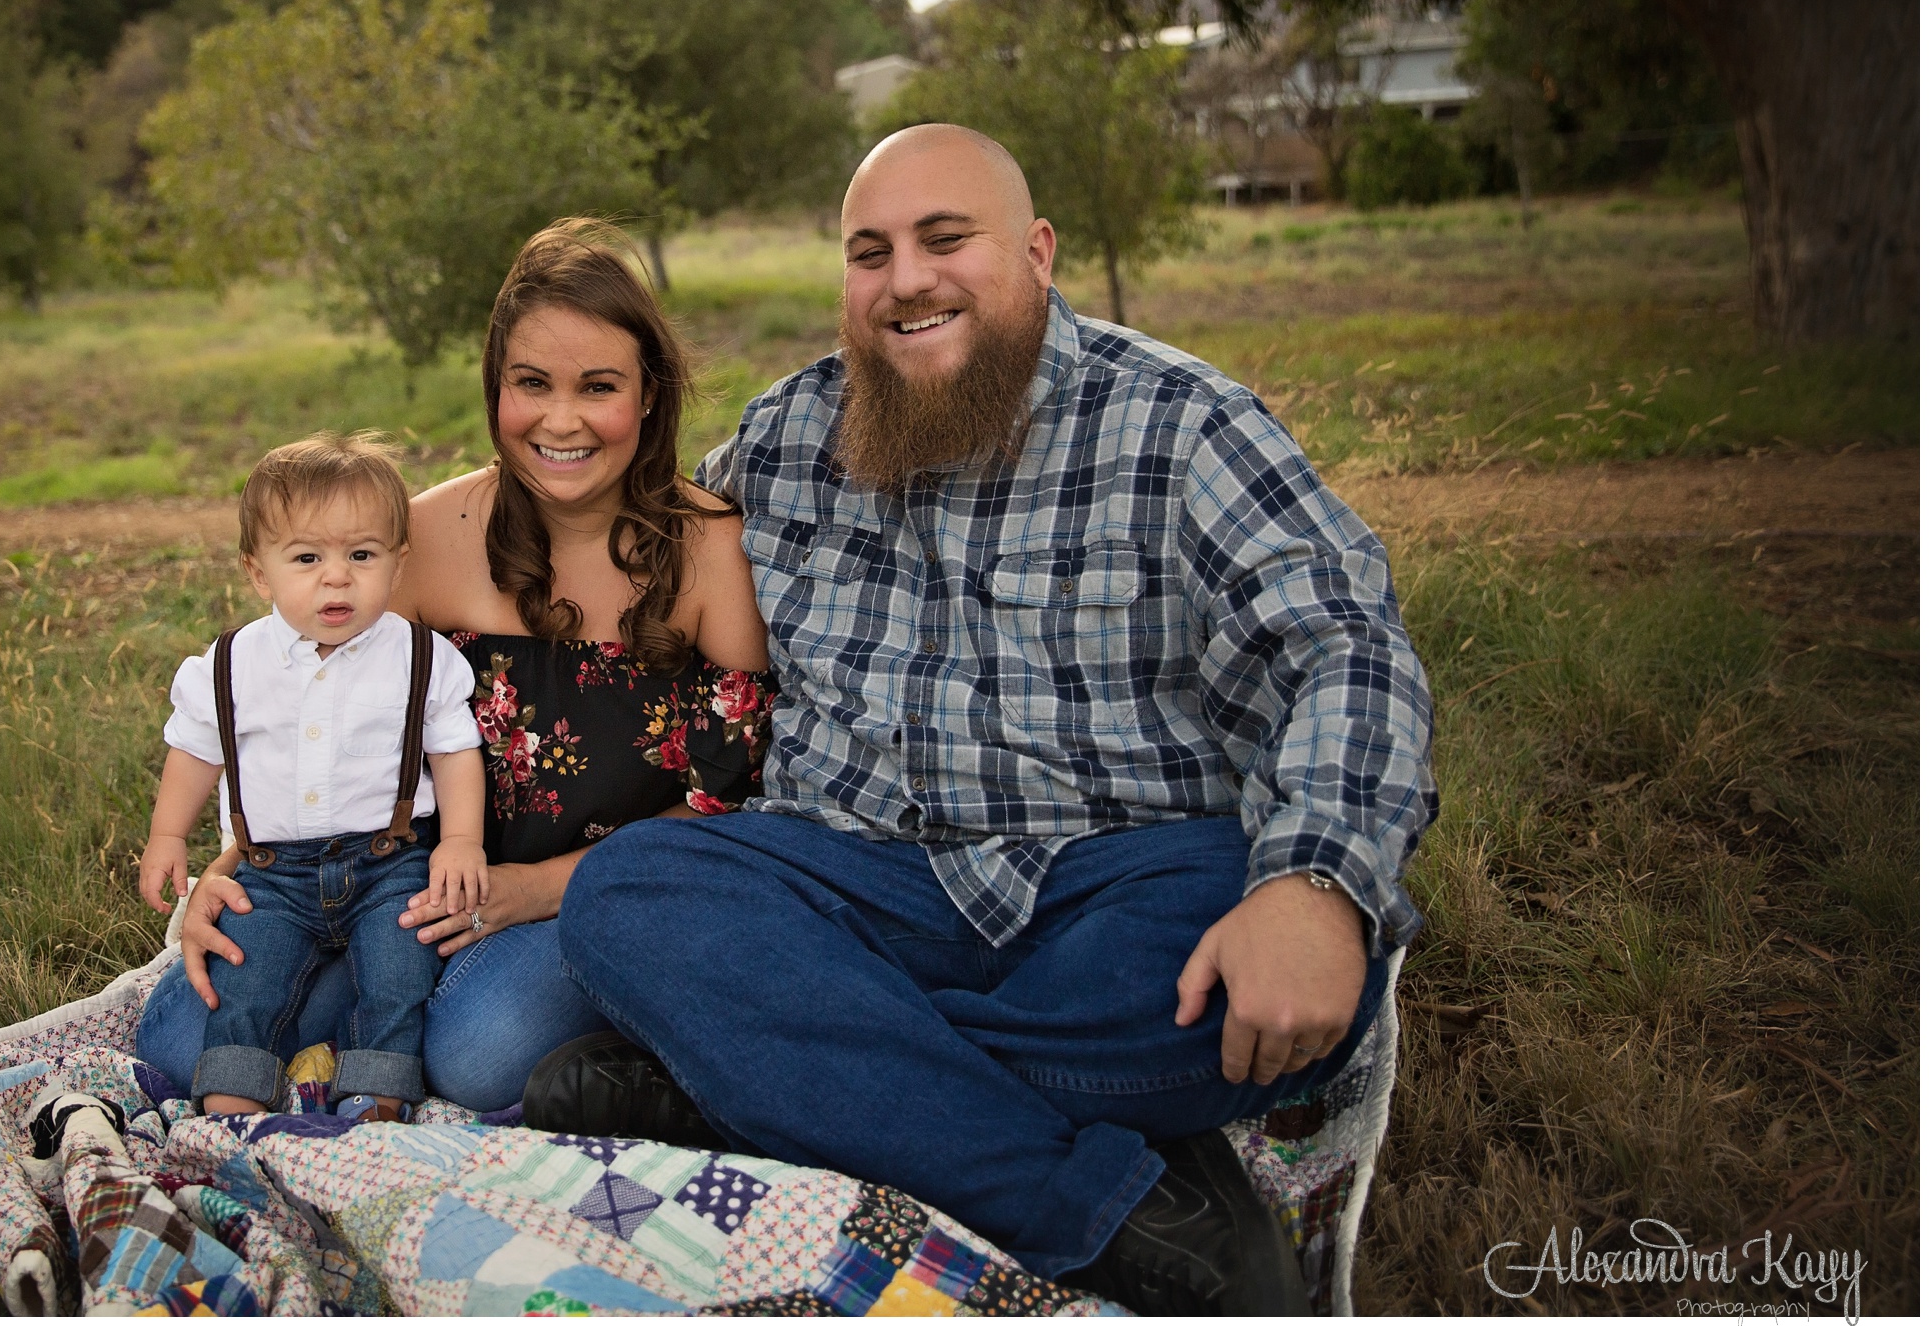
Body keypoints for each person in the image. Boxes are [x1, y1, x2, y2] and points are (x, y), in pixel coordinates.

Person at [536, 126, 1437, 1314]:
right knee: (637, 891)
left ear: (1038, 251)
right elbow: (591, 542)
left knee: (1288, 926)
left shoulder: (1180, 423)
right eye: (870, 252)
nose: (906, 279)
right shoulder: (783, 438)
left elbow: (1343, 646)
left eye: (944, 238)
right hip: (851, 888)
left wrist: (1316, 885)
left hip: (1109, 890)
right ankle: (1106, 1204)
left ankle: (739, 1088)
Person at [135, 220, 774, 1111]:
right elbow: (320, 709)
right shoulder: (427, 538)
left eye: (599, 387)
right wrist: (241, 865)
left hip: (603, 889)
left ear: (650, 395)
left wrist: (533, 891)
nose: (561, 419)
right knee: (176, 1038)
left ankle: (645, 1055)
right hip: (402, 875)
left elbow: (736, 797)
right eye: (531, 384)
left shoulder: (709, 553)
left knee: (475, 1052)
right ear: (494, 388)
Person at [136, 432, 488, 1121]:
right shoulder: (229, 665)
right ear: (259, 574)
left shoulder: (422, 658)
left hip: (390, 862)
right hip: (269, 874)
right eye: (306, 558)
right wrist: (167, 835)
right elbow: (194, 751)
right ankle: (232, 1110)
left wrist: (462, 840)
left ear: (397, 563)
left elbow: (453, 751)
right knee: (247, 982)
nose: (337, 577)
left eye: (362, 555)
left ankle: (376, 1100)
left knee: (398, 975)